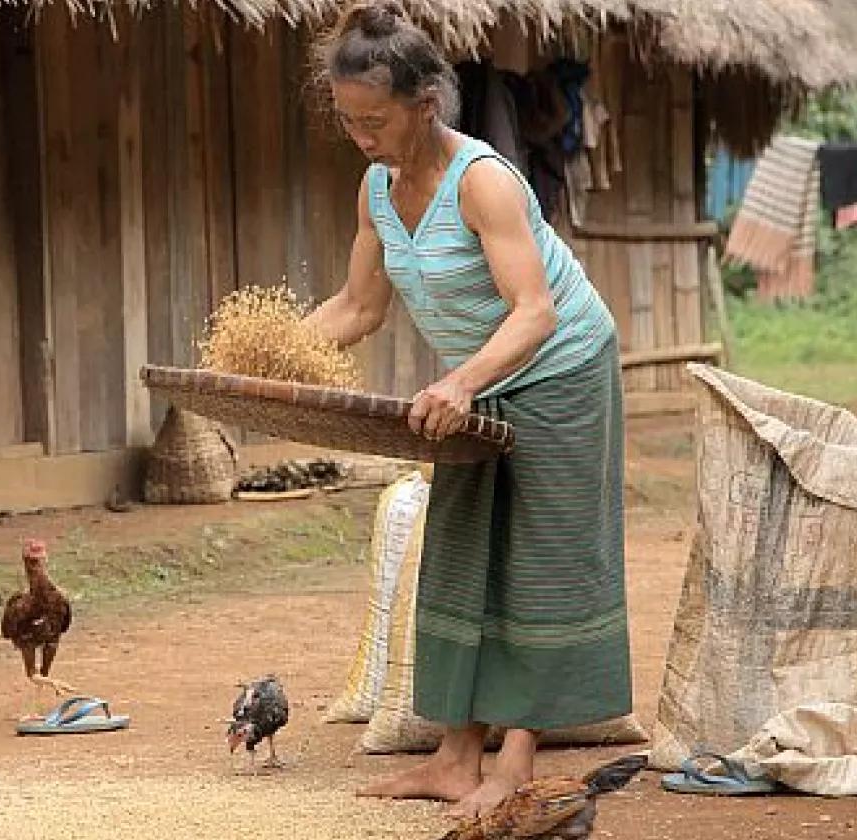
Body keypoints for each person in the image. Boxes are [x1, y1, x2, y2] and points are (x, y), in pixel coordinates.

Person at [299, 0, 633, 820]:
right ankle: (454, 757)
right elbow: (356, 308)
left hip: (559, 373)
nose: (362, 137)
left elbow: (534, 311)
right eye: (347, 121)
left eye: (375, 120)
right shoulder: (377, 188)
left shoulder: (481, 180)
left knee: (538, 562)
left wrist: (459, 383)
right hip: (479, 384)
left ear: (425, 103)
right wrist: (262, 357)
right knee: (462, 550)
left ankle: (514, 765)